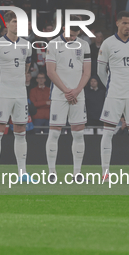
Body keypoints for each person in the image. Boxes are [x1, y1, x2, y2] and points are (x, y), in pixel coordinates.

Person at [97, 11, 129, 182]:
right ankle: (105, 173)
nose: (128, 27)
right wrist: (112, 86)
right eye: (124, 23)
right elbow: (100, 71)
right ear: (117, 23)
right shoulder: (108, 43)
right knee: (108, 132)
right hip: (114, 94)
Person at [0, 11, 33, 182]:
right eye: (14, 21)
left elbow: (26, 68)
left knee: (21, 132)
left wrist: (17, 84)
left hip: (20, 94)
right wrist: (1, 88)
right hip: (3, 94)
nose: (17, 25)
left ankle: (22, 173)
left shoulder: (27, 45)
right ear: (6, 24)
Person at [45, 20, 91, 182]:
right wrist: (66, 91)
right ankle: (52, 172)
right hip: (59, 94)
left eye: (75, 35)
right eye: (70, 34)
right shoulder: (53, 44)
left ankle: (77, 173)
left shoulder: (84, 45)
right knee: (54, 132)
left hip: (78, 95)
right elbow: (50, 72)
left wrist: (76, 91)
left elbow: (87, 72)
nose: (72, 38)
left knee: (78, 133)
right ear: (63, 28)